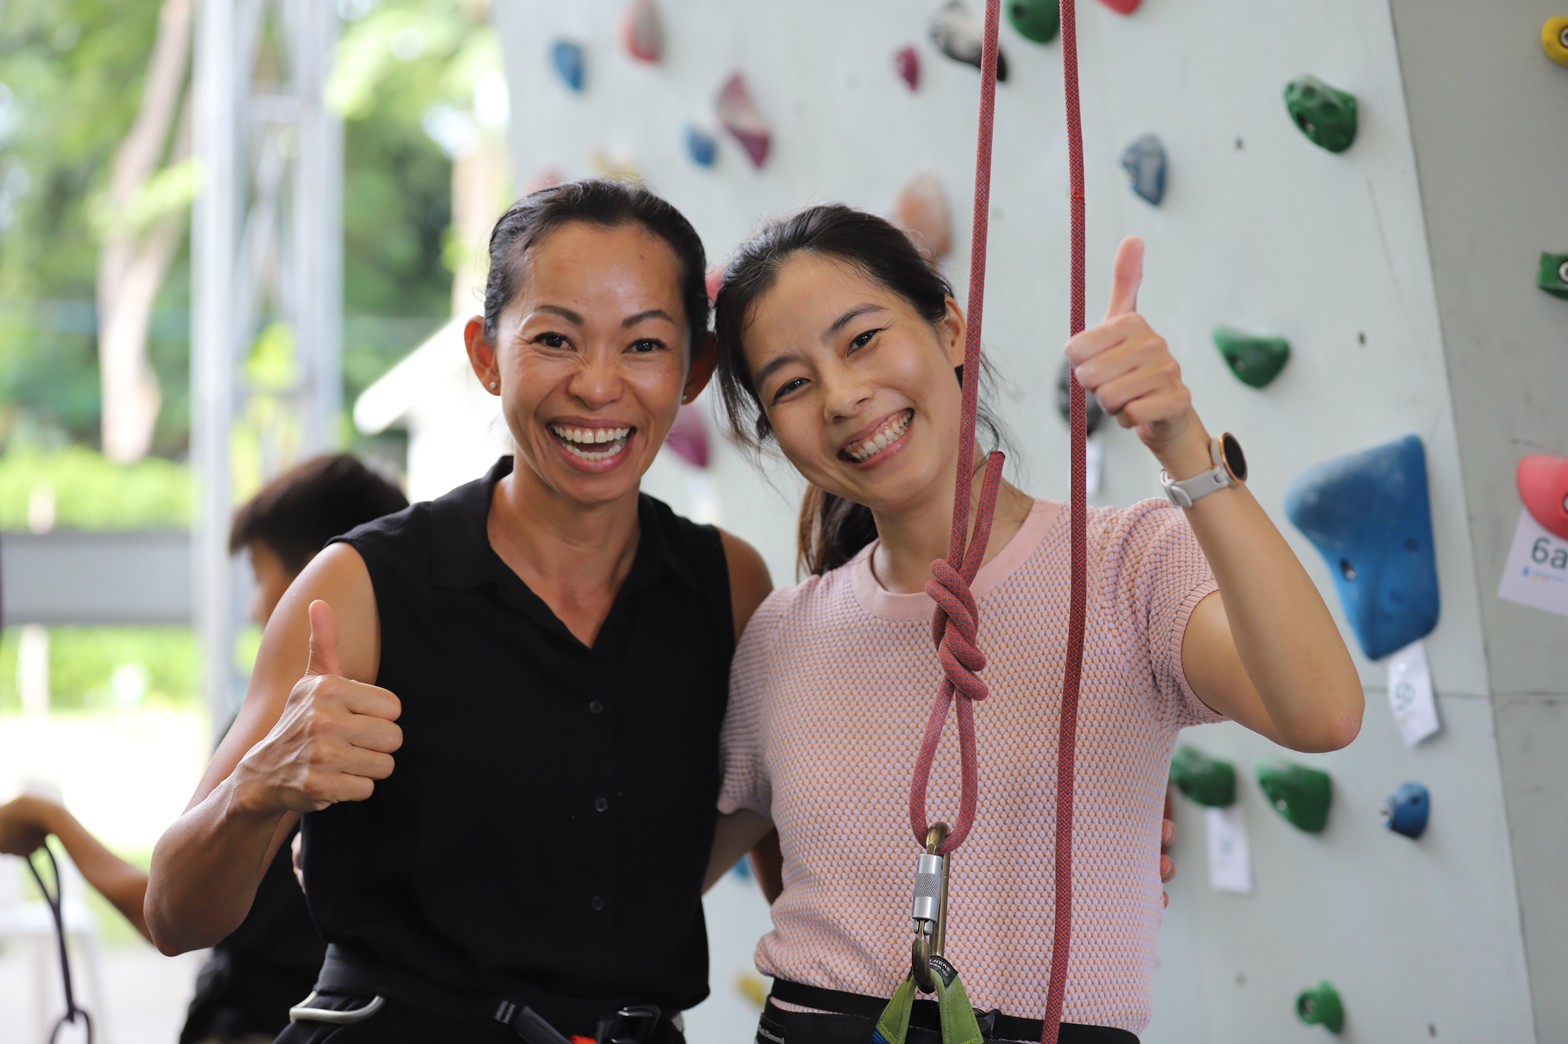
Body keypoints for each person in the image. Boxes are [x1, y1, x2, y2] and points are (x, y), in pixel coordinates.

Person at [704, 204, 1364, 1042]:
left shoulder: (1129, 563)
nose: (841, 396)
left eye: (862, 339)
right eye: (791, 384)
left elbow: (1322, 712)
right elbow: (661, 871)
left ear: (949, 326)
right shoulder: (783, 635)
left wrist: (1183, 445)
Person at [144, 179, 775, 1043]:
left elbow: (761, 823)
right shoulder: (358, 587)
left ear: (693, 371)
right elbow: (174, 914)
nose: (598, 386)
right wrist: (262, 786)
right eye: (555, 338)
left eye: (644, 345)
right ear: (486, 355)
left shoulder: (729, 584)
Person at [0, 452, 408, 1044]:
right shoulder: (425, 707)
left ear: (317, 582)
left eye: (260, 576)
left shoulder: (298, 731)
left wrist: (51, 820)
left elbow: (169, 911)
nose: (254, 607)